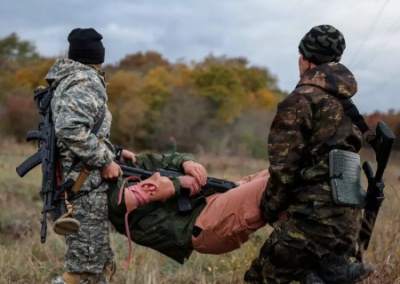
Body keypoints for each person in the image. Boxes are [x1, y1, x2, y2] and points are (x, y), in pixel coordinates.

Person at [244, 25, 375, 284]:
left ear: (305, 59)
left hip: (314, 217)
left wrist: (268, 209)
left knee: (260, 277)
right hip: (347, 221)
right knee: (312, 276)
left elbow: (283, 170)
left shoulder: (301, 100)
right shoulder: (347, 105)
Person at [46, 27, 136, 284]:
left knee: (100, 261)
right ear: (99, 54)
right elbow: (70, 128)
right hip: (80, 183)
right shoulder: (85, 80)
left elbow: (86, 130)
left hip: (77, 178)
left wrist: (115, 152)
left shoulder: (71, 77)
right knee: (84, 267)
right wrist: (104, 160)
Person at [106, 151, 270, 268]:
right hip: (203, 224)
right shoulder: (102, 191)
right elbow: (120, 203)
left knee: (275, 172)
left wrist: (187, 162)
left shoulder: (123, 163)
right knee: (276, 183)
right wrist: (178, 183)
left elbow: (167, 159)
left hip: (210, 201)